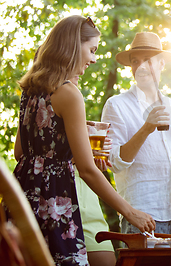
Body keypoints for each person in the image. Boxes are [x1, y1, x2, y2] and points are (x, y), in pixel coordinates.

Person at [13, 15, 155, 266]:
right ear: (71, 46)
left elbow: (20, 152)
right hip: (56, 204)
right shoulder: (69, 93)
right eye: (92, 50)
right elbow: (88, 170)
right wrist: (130, 212)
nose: (94, 57)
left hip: (24, 200)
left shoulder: (31, 90)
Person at [101, 32, 171, 264]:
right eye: (135, 60)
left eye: (148, 59)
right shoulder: (117, 105)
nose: (141, 66)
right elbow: (115, 163)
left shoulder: (170, 105)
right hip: (143, 216)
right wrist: (146, 127)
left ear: (161, 63)